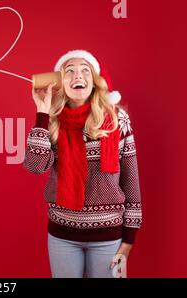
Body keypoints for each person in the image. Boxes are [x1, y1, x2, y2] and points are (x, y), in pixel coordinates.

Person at [23, 50, 142, 278]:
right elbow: (35, 165)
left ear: (94, 81)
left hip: (110, 237)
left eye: (85, 70)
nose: (78, 75)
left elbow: (131, 177)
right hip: (62, 236)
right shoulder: (52, 120)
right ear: (60, 82)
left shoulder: (117, 119)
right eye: (70, 71)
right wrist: (41, 112)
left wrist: (129, 238)